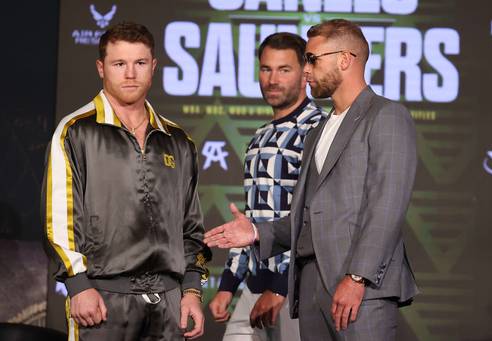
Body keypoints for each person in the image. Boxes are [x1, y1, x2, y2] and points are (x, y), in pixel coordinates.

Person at [204, 18, 418, 341]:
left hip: (361, 291)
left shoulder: (385, 115)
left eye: (312, 60)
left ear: (345, 59)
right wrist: (256, 231)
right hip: (311, 291)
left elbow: (386, 208)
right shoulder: (320, 130)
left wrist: (357, 278)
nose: (306, 71)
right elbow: (308, 218)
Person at [42, 22, 211, 340]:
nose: (130, 73)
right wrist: (78, 284)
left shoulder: (177, 139)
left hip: (169, 302)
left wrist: (191, 290)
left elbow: (190, 226)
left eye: (140, 63)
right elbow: (58, 220)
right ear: (101, 68)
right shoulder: (76, 131)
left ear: (154, 67)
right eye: (119, 64)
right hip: (103, 300)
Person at [208, 32, 327, 341]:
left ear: (305, 74)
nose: (272, 79)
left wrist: (281, 286)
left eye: (284, 70)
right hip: (255, 285)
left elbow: (317, 217)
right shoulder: (259, 137)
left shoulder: (319, 129)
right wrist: (227, 286)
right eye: (266, 69)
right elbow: (249, 222)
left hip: (298, 288)